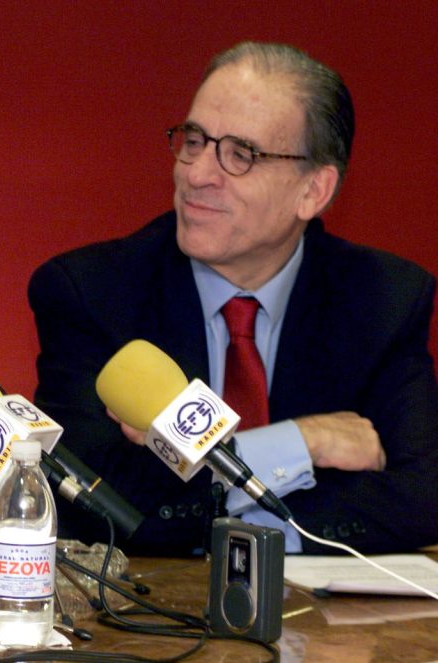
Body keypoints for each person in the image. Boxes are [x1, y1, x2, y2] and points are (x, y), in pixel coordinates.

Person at [29, 41, 438, 556]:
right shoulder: (93, 292)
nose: (197, 174)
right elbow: (91, 506)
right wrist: (298, 445)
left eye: (241, 155)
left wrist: (200, 493)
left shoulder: (382, 298)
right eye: (194, 140)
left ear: (313, 190)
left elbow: (421, 499)